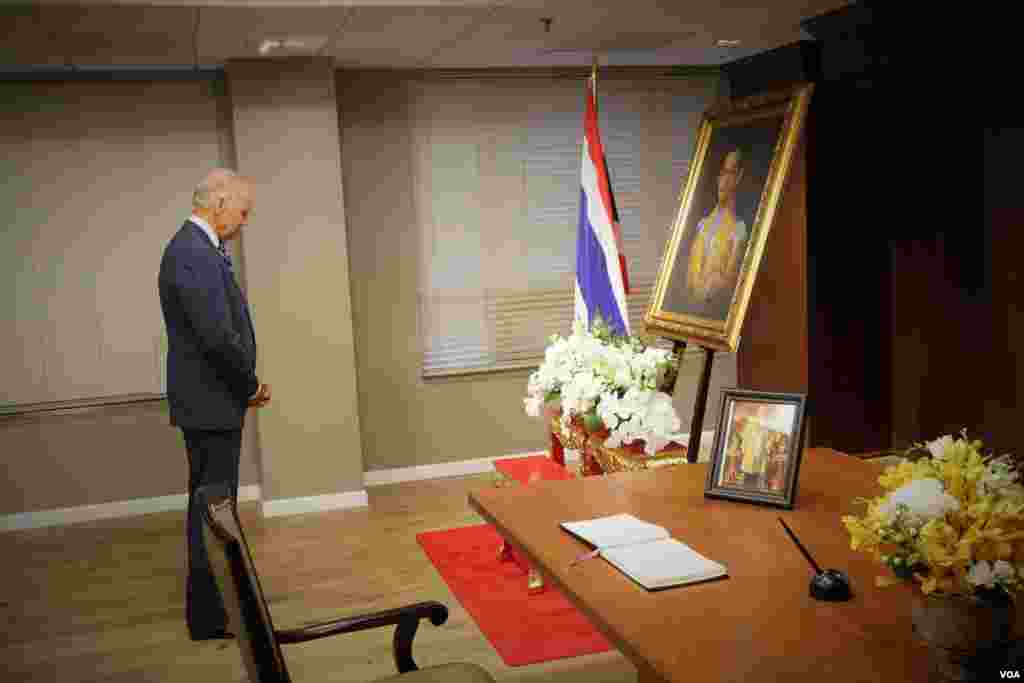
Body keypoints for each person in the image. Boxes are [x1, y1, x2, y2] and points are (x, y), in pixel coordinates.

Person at [158, 168, 271, 641]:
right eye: (243, 212)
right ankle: (210, 616)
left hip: (208, 400)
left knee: (210, 504)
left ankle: (213, 610)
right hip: (211, 401)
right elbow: (218, 337)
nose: (243, 222)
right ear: (219, 202)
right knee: (213, 507)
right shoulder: (192, 253)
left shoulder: (197, 250)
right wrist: (249, 384)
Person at [685, 148, 748, 318]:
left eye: (730, 173)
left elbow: (729, 284)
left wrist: (713, 284)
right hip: (693, 314)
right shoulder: (702, 225)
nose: (723, 181)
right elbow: (690, 279)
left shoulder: (739, 229)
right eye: (722, 173)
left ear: (739, 177)